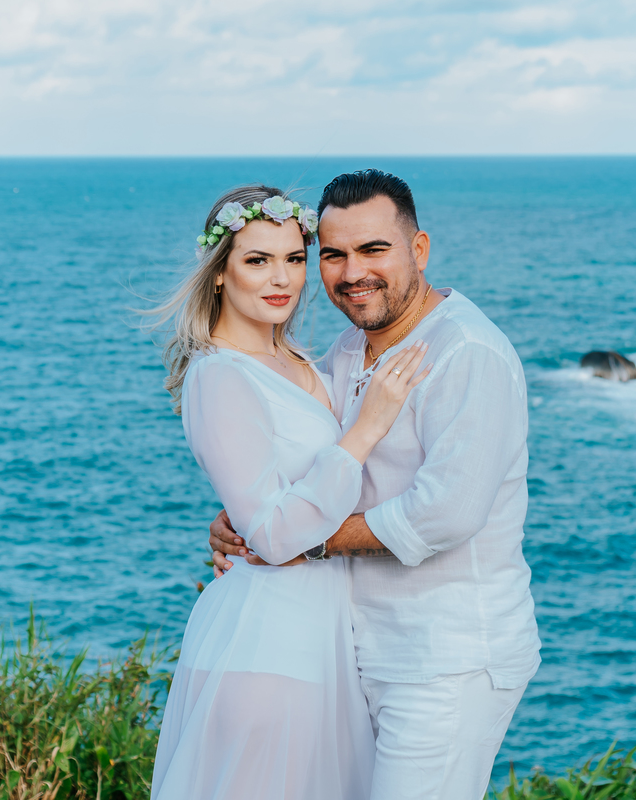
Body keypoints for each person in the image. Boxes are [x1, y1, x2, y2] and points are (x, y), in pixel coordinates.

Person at [209, 170, 541, 800]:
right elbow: (313, 470)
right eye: (332, 254)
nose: (352, 271)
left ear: (418, 250)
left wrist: (301, 542)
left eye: (374, 250)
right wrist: (248, 521)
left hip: (445, 658)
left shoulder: (466, 351)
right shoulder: (342, 352)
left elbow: (446, 513)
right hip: (353, 651)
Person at [148, 184, 430, 800]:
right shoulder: (217, 374)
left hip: (321, 640)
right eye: (257, 260)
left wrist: (235, 518)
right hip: (266, 645)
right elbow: (274, 537)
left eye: (294, 258)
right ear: (219, 273)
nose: (282, 278)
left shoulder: (302, 361)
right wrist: (366, 430)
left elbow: (272, 499)